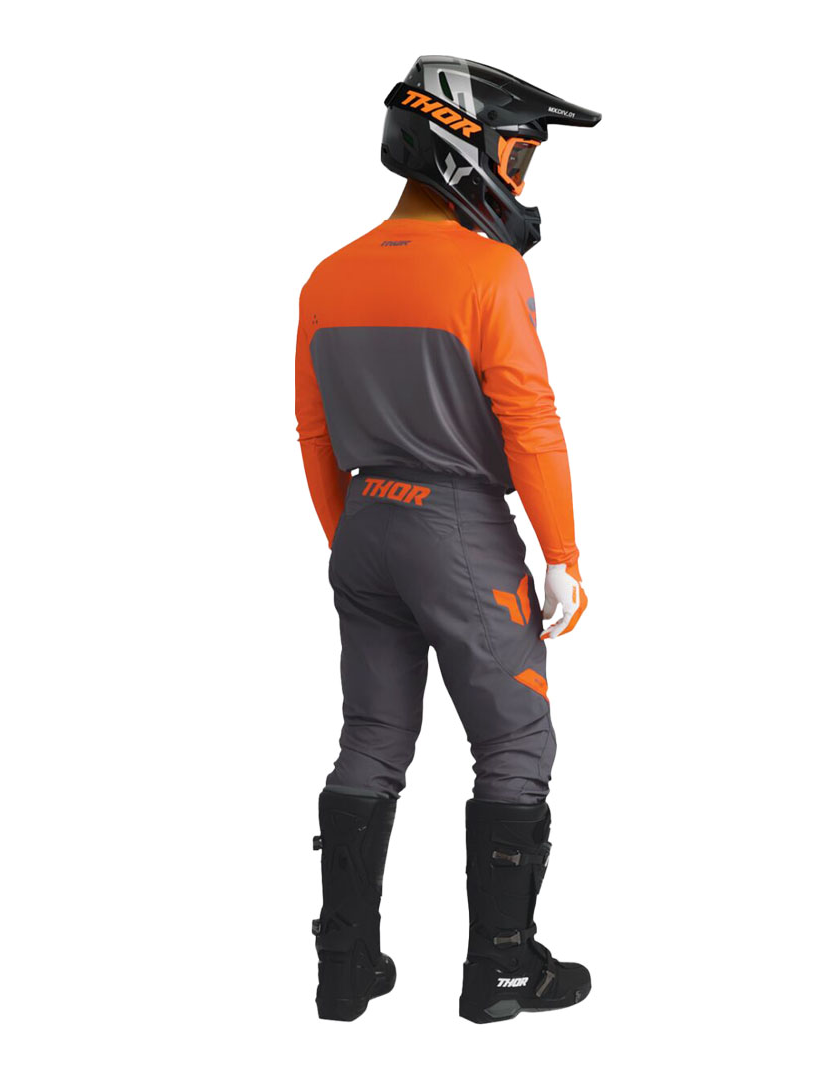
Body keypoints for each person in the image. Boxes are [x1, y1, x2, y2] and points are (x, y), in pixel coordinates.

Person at [295, 56, 601, 1024]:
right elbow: (529, 419)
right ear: (464, 148)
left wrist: (353, 539)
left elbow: (313, 432)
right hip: (459, 528)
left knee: (372, 739)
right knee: (513, 739)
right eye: (517, 155)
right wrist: (562, 554)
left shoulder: (328, 275)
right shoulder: (488, 270)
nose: (520, 177)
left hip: (364, 523)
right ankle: (502, 972)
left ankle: (344, 969)